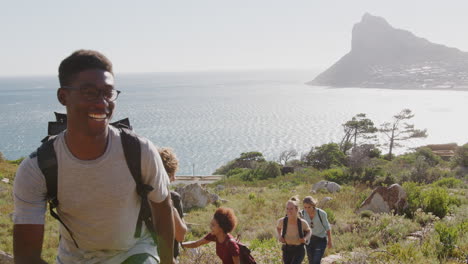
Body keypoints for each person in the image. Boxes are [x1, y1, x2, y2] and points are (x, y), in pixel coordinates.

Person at [13, 50, 174, 264]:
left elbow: (162, 205)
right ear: (63, 96)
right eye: (89, 92)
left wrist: (167, 261)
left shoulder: (139, 150)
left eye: (108, 93)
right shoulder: (38, 168)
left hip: (135, 252)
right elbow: (26, 258)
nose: (102, 103)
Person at [158, 147, 187, 260]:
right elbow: (181, 236)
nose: (174, 179)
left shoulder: (139, 197)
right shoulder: (173, 198)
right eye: (172, 175)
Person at [276, 196, 311, 264]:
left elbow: (309, 231)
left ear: (296, 209)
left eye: (291, 209)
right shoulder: (282, 221)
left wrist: (305, 238)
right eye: (287, 209)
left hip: (299, 249)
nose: (289, 211)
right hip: (286, 249)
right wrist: (280, 236)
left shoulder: (302, 222)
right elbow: (278, 228)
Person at [301, 196, 333, 264]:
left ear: (313, 205)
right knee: (311, 261)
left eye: (309, 207)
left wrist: (330, 241)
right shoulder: (302, 213)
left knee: (316, 261)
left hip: (320, 240)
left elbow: (327, 227)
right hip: (309, 241)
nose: (307, 209)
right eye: (305, 207)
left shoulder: (321, 213)